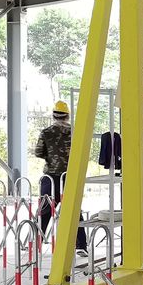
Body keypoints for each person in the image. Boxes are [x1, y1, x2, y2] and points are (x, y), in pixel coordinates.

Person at [34, 101, 87, 256]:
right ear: (67, 116)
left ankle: (37, 243)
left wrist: (51, 155)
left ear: (54, 115)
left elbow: (38, 152)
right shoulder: (75, 132)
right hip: (69, 177)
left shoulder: (46, 132)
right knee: (74, 211)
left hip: (51, 177)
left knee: (45, 210)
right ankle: (81, 245)